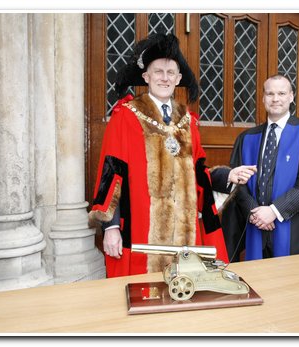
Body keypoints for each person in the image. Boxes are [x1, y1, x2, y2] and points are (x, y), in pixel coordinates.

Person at [89, 33, 256, 277]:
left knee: (185, 291)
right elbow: (112, 175)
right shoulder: (125, 117)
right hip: (141, 232)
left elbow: (198, 173)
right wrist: (112, 226)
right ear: (146, 76)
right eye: (158, 72)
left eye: (170, 73)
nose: (164, 78)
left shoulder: (188, 121)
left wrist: (228, 176)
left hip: (185, 232)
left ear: (178, 79)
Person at [222, 74, 299, 261]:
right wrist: (254, 212)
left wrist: (274, 211)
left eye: (281, 93)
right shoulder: (247, 138)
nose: (275, 99)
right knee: (256, 282)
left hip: (293, 227)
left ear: (291, 96)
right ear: (263, 98)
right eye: (270, 93)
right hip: (255, 226)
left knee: (289, 284)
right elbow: (237, 183)